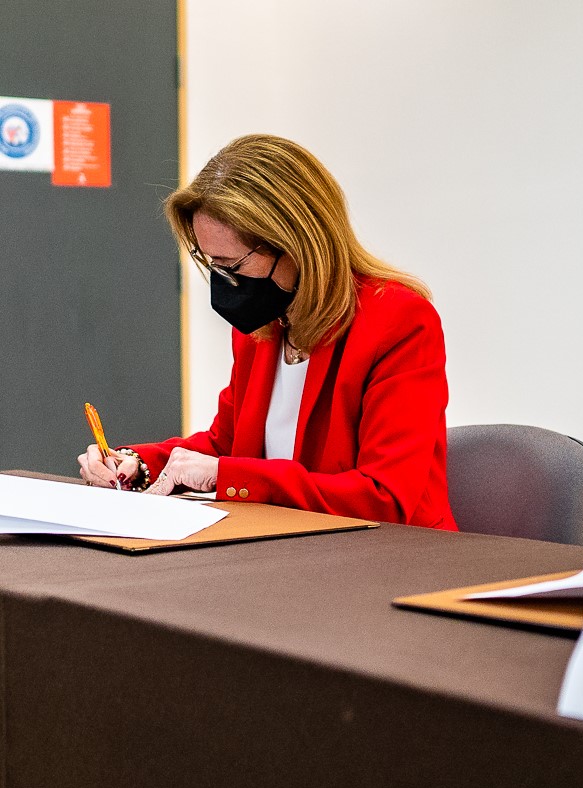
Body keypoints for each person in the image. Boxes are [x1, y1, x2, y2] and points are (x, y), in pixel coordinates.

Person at [78, 134, 457, 530]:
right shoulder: (262, 326)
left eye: (232, 266)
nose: (225, 283)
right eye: (212, 264)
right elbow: (226, 445)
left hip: (395, 556)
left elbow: (384, 498)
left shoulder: (399, 321)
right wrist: (136, 463)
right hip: (287, 548)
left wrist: (228, 476)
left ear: (296, 244)